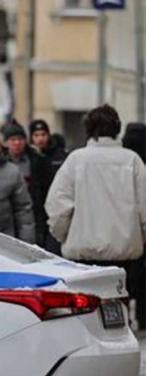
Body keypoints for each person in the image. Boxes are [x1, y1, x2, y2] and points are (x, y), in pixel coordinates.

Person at [46, 105, 146, 329]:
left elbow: (57, 204)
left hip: (83, 250)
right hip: (124, 251)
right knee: (119, 304)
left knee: (85, 311)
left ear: (88, 129)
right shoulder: (132, 160)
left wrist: (62, 235)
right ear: (117, 129)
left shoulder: (76, 160)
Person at [29, 119, 67, 253]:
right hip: (36, 210)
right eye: (36, 135)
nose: (40, 139)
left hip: (53, 209)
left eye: (43, 135)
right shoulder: (29, 156)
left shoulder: (59, 155)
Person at [123, 122, 146, 330]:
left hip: (123, 229)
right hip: (140, 228)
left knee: (124, 278)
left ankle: (125, 319)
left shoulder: (124, 160)